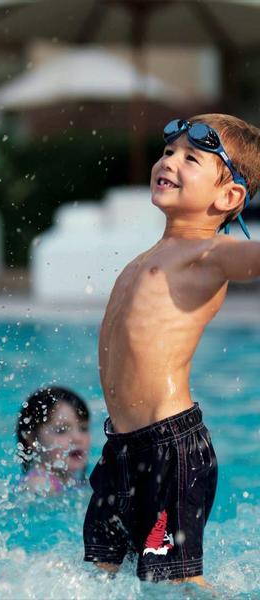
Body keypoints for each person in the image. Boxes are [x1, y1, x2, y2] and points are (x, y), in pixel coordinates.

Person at [85, 114, 260, 585]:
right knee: (99, 575)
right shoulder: (147, 257)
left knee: (178, 585)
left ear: (228, 197)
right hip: (119, 450)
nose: (170, 162)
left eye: (192, 158)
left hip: (171, 449)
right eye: (167, 152)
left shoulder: (209, 254)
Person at [16, 387, 90, 495]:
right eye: (61, 430)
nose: (77, 438)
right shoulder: (40, 484)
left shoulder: (73, 482)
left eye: (83, 428)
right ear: (32, 440)